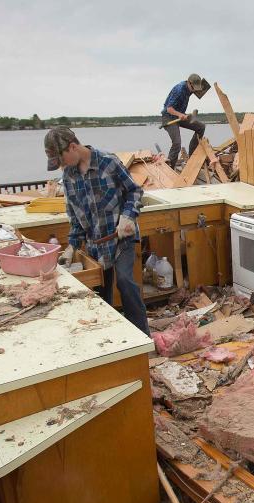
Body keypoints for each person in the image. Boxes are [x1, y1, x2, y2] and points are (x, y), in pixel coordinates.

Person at [44, 126, 150, 335]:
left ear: (73, 147)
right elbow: (75, 217)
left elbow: (135, 191)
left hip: (121, 238)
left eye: (62, 160)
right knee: (101, 294)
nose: (62, 166)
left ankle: (142, 338)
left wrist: (128, 216)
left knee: (125, 282)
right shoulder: (68, 178)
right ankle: (110, 339)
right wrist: (71, 247)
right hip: (95, 246)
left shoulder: (108, 162)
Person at [162, 73, 207, 169]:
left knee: (201, 127)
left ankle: (192, 157)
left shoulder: (192, 87)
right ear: (189, 83)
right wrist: (180, 115)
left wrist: (205, 87)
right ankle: (170, 168)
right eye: (194, 88)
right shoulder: (179, 89)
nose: (195, 90)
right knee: (177, 143)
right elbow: (169, 109)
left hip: (181, 115)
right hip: (169, 117)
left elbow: (202, 90)